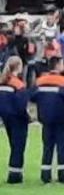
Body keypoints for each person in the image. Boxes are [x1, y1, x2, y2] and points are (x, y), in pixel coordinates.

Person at [31, 56, 64, 184]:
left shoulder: (40, 81)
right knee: (62, 146)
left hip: (45, 117)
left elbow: (32, 96)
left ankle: (45, 175)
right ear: (58, 66)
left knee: (47, 146)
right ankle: (62, 175)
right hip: (61, 117)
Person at [0, 56, 25, 184]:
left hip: (6, 117)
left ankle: (13, 172)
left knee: (13, 144)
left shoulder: (2, 81)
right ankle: (15, 175)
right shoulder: (18, 84)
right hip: (17, 118)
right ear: (19, 66)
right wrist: (27, 117)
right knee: (18, 146)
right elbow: (21, 104)